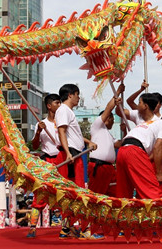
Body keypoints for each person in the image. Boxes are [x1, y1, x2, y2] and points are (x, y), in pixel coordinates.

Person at [55, 84, 98, 240]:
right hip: (71, 156)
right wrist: (68, 153)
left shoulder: (67, 111)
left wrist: (88, 142)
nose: (79, 98)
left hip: (74, 153)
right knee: (78, 193)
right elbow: (62, 132)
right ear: (70, 95)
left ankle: (66, 228)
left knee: (73, 193)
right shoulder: (63, 110)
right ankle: (84, 230)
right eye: (77, 95)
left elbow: (74, 135)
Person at [116, 90, 162, 199]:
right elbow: (158, 147)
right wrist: (159, 173)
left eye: (139, 102)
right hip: (133, 150)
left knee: (124, 196)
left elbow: (160, 148)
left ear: (145, 106)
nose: (137, 105)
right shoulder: (142, 119)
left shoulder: (161, 123)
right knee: (152, 193)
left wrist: (157, 171)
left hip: (123, 151)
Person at [27, 94, 62, 238]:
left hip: (63, 160)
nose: (59, 105)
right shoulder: (40, 123)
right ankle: (32, 227)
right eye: (57, 103)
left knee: (66, 194)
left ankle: (67, 228)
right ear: (49, 106)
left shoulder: (63, 122)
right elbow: (35, 145)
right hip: (48, 162)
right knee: (40, 195)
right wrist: (39, 132)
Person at [88, 96, 122, 195]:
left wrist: (125, 132)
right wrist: (118, 92)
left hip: (110, 169)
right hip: (99, 167)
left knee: (114, 194)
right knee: (96, 195)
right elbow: (108, 108)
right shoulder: (97, 126)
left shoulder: (109, 135)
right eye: (112, 119)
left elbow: (119, 144)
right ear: (108, 118)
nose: (113, 122)